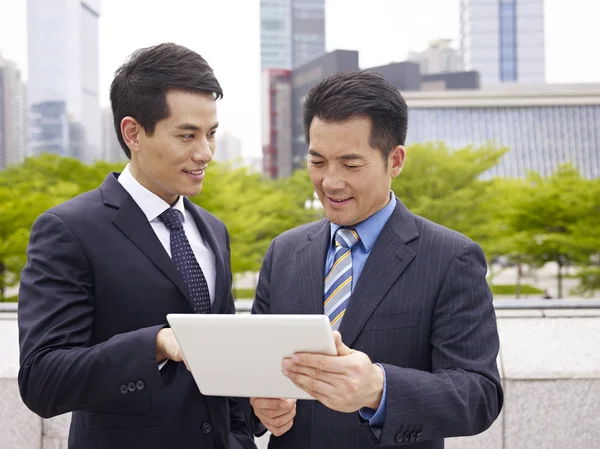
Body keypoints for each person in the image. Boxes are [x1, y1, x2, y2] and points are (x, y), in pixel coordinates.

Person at [18, 43, 255, 449]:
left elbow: (223, 364)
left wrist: (246, 426)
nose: (206, 153)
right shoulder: (68, 230)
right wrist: (156, 345)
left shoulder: (213, 231)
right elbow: (43, 380)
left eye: (211, 134)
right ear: (133, 133)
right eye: (187, 135)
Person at [249, 71, 503, 449]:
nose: (330, 182)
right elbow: (256, 366)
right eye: (318, 161)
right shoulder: (284, 251)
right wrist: (259, 404)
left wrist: (378, 388)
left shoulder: (451, 257)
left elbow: (478, 394)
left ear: (395, 160)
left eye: (351, 165)